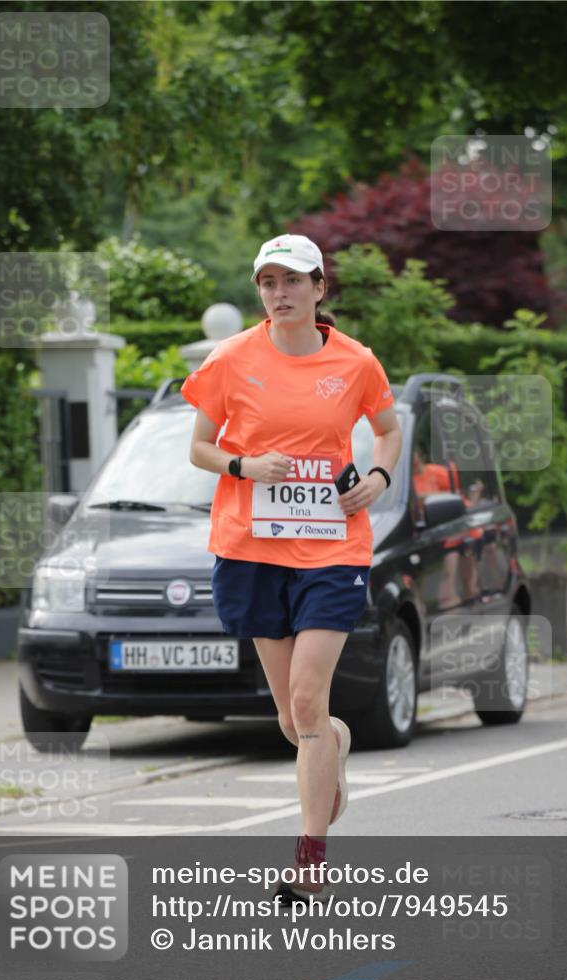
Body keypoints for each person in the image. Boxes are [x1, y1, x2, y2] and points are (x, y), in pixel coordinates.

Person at [180, 233, 402, 901]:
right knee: (297, 721)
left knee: (307, 700)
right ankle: (331, 742)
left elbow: (386, 429)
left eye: (292, 281)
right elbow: (198, 448)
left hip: (332, 548)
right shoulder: (229, 359)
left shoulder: (356, 362)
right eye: (267, 283)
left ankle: (309, 862)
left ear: (317, 289)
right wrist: (243, 465)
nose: (279, 294)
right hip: (251, 549)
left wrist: (380, 475)